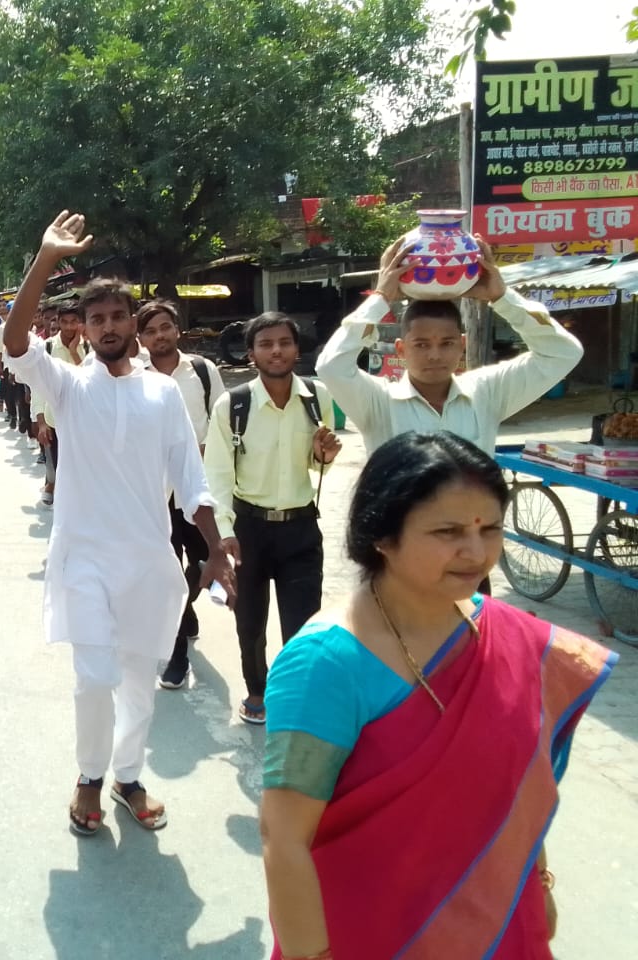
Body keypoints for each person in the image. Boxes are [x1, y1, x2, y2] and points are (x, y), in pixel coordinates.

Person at [260, 431, 616, 960]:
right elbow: (284, 839)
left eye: (490, 528)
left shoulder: (510, 635)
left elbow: (521, 785)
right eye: (447, 531)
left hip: (497, 920)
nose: (476, 552)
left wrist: (537, 884)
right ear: (382, 535)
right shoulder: (325, 665)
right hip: (372, 935)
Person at [2, 212, 236, 837]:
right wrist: (46, 258)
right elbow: (16, 339)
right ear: (84, 327)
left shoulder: (162, 395)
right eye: (96, 318)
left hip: (149, 564)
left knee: (139, 682)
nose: (107, 327)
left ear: (133, 323)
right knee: (94, 676)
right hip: (82, 559)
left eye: (117, 317)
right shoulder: (70, 386)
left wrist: (214, 549)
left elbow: (192, 478)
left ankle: (128, 778)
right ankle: (87, 776)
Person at [315, 234, 583, 454]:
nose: (435, 355)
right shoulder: (379, 402)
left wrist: (503, 298)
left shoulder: (486, 393)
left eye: (446, 343)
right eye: (421, 344)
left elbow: (564, 353)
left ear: (462, 344)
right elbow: (330, 367)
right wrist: (381, 297)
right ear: (401, 348)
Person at [204, 312, 341, 722]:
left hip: (301, 528)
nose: (276, 350)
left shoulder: (317, 399)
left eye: (284, 342)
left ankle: (295, 694)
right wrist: (224, 533)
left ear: (297, 349)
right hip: (249, 530)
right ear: (251, 354)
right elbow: (218, 474)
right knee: (250, 622)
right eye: (265, 344)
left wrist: (325, 458)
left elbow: (319, 464)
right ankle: (257, 691)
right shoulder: (234, 405)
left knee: (303, 624)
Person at [136, 299, 226, 690]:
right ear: (141, 338)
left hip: (198, 491)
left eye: (165, 327)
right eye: (151, 330)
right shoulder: (134, 378)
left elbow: (222, 427)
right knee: (164, 573)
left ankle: (185, 605)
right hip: (156, 495)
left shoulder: (203, 372)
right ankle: (176, 657)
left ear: (177, 329)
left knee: (209, 561)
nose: (159, 335)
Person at [31, 301, 89, 506]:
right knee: (59, 466)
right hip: (55, 420)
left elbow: (91, 383)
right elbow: (39, 387)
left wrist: (74, 351)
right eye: (65, 322)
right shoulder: (47, 347)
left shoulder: (89, 347)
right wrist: (41, 422)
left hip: (84, 421)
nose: (70, 327)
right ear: (58, 322)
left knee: (83, 469)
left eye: (74, 321)